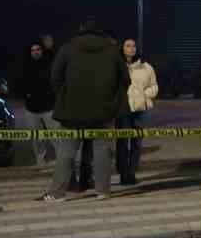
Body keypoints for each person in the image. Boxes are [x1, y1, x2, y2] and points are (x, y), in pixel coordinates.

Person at [41, 19, 129, 202]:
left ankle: (58, 193)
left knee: (66, 152)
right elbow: (125, 80)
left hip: (72, 111)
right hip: (104, 111)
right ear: (100, 32)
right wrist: (112, 100)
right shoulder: (113, 50)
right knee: (102, 151)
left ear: (81, 30)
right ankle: (103, 191)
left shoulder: (68, 48)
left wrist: (64, 96)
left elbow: (55, 77)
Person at [117, 38, 158, 186]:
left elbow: (154, 86)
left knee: (137, 144)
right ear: (122, 48)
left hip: (141, 109)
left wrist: (145, 95)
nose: (132, 48)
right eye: (128, 45)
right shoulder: (117, 65)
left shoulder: (146, 67)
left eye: (134, 45)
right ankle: (123, 174)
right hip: (123, 109)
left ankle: (132, 173)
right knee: (122, 143)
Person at [14, 39, 58, 165]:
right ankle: (41, 161)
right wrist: (25, 95)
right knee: (37, 139)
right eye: (33, 50)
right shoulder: (25, 66)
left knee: (56, 136)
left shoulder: (49, 63)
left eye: (38, 49)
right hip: (32, 109)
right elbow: (18, 83)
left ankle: (61, 161)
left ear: (42, 50)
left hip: (49, 108)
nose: (36, 52)